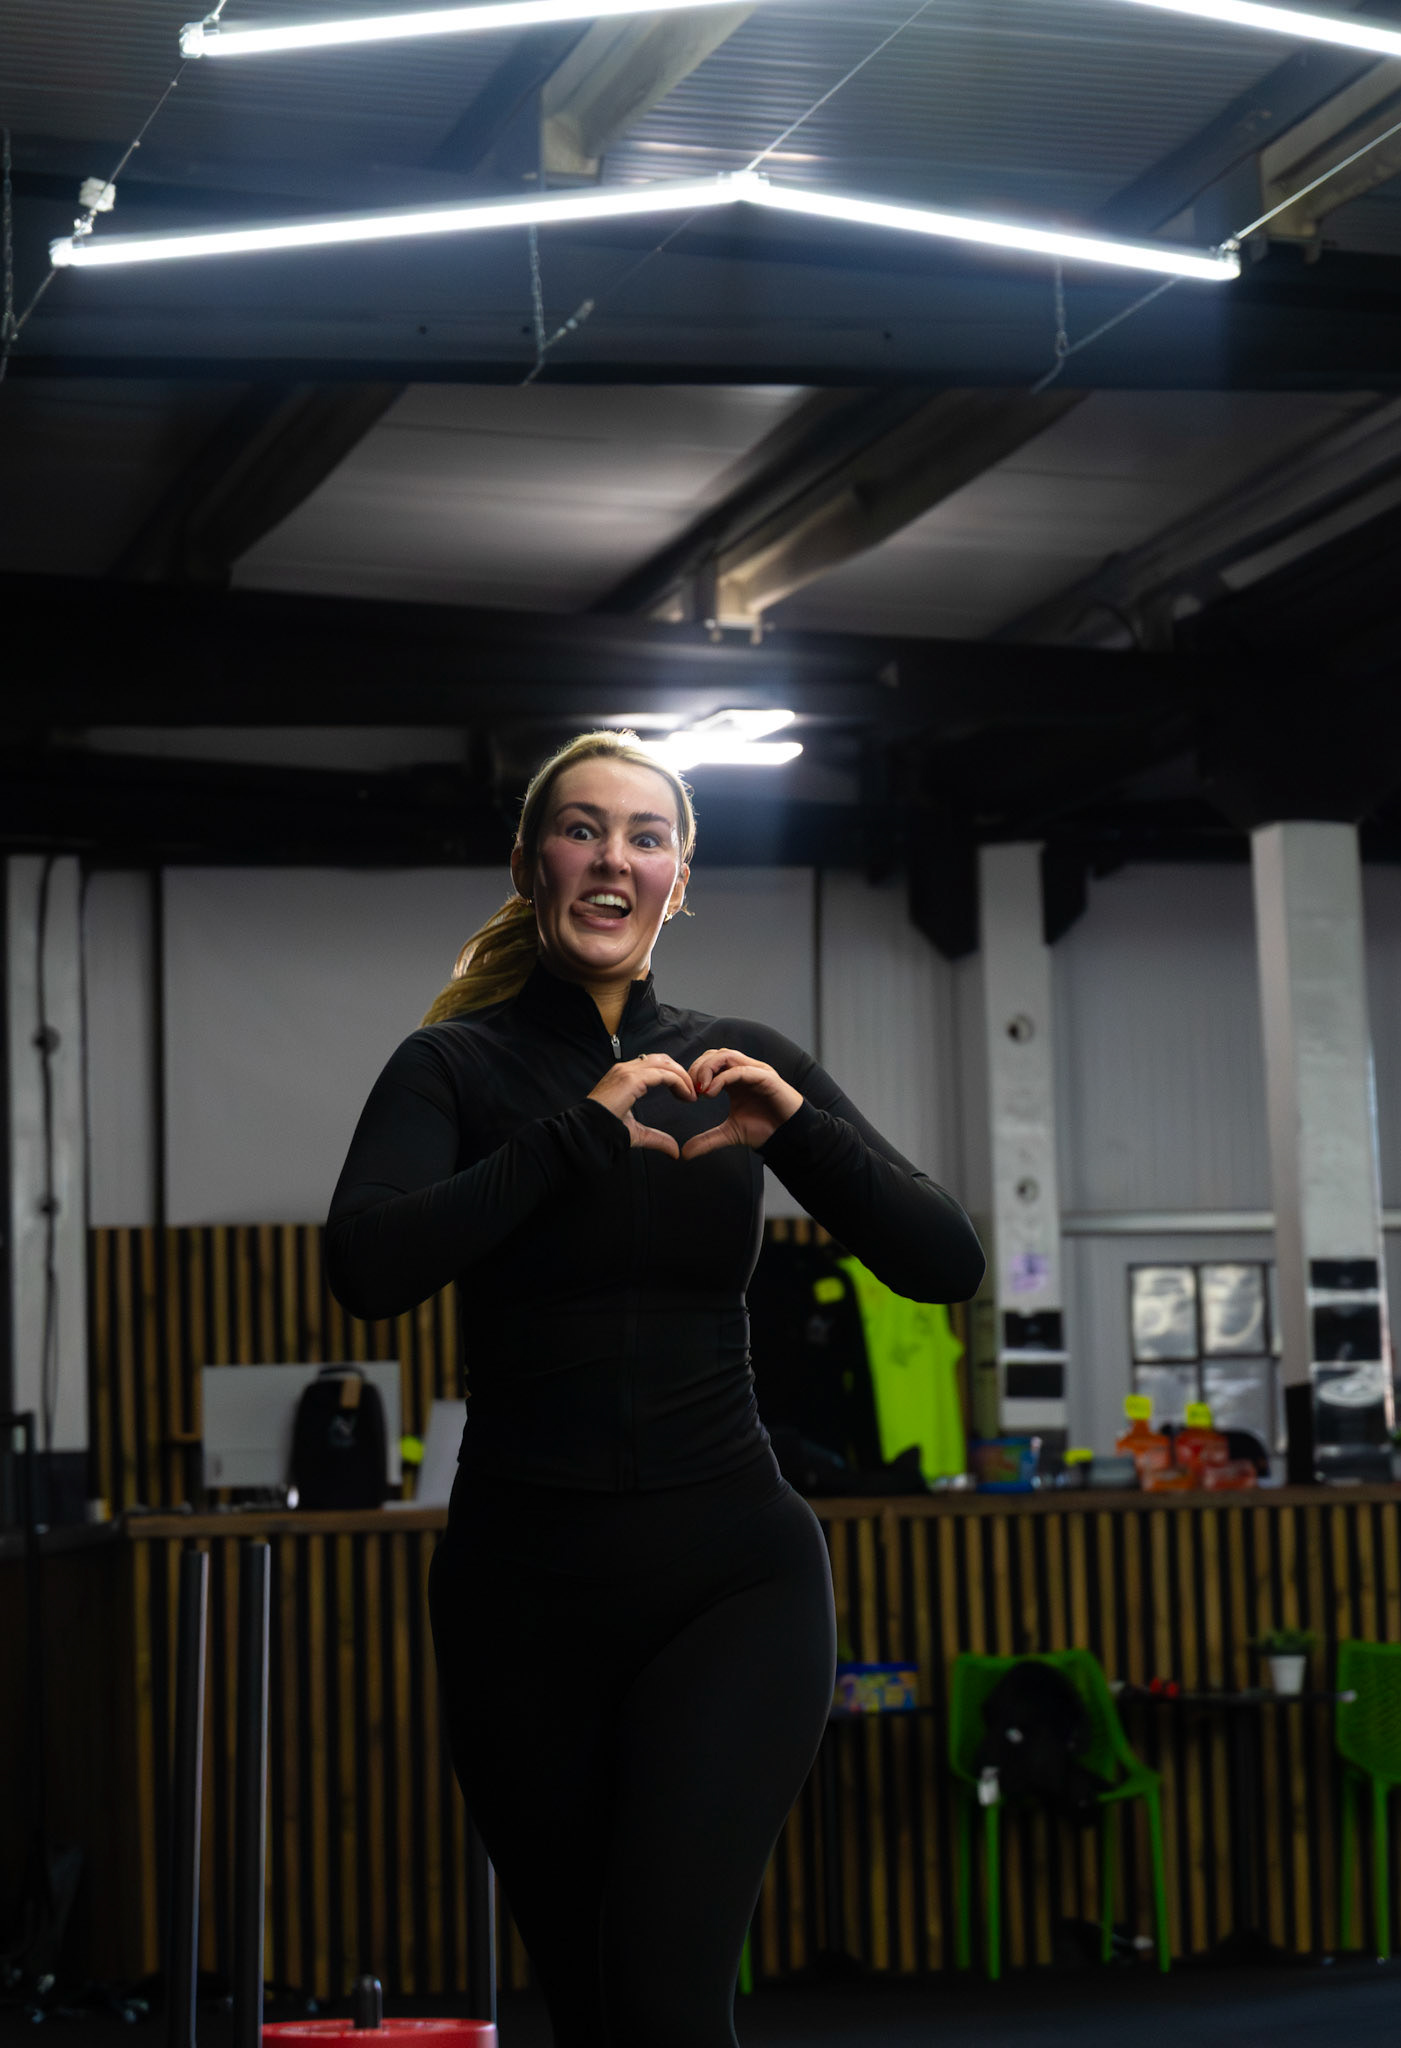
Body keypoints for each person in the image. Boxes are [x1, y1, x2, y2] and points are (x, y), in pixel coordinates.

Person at [325, 731, 982, 2046]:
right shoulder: (449, 1067)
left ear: (679, 880)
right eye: (581, 829)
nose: (612, 858)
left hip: (730, 1581)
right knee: (594, 2009)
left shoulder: (736, 1060)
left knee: (667, 2002)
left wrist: (799, 1131)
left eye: (645, 835)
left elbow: (944, 1262)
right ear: (532, 865)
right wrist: (574, 1133)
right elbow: (367, 1269)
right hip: (521, 1595)